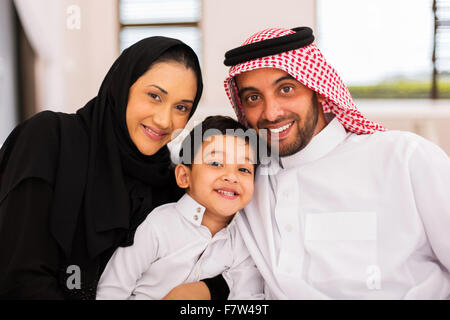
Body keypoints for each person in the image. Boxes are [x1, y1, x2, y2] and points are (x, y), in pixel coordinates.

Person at [221, 26, 450, 299]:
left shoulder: (404, 157)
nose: (271, 112)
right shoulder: (245, 181)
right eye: (254, 98)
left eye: (286, 89)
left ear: (318, 90)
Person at [0, 37, 228, 300]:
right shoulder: (49, 139)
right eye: (154, 96)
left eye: (181, 107)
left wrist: (207, 289)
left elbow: (217, 258)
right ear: (122, 87)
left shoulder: (170, 182)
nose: (165, 120)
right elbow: (18, 275)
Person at [96, 116, 264, 300]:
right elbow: (111, 289)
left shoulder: (245, 241)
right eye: (216, 163)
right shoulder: (158, 225)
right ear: (184, 176)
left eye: (244, 169)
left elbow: (248, 297)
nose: (232, 177)